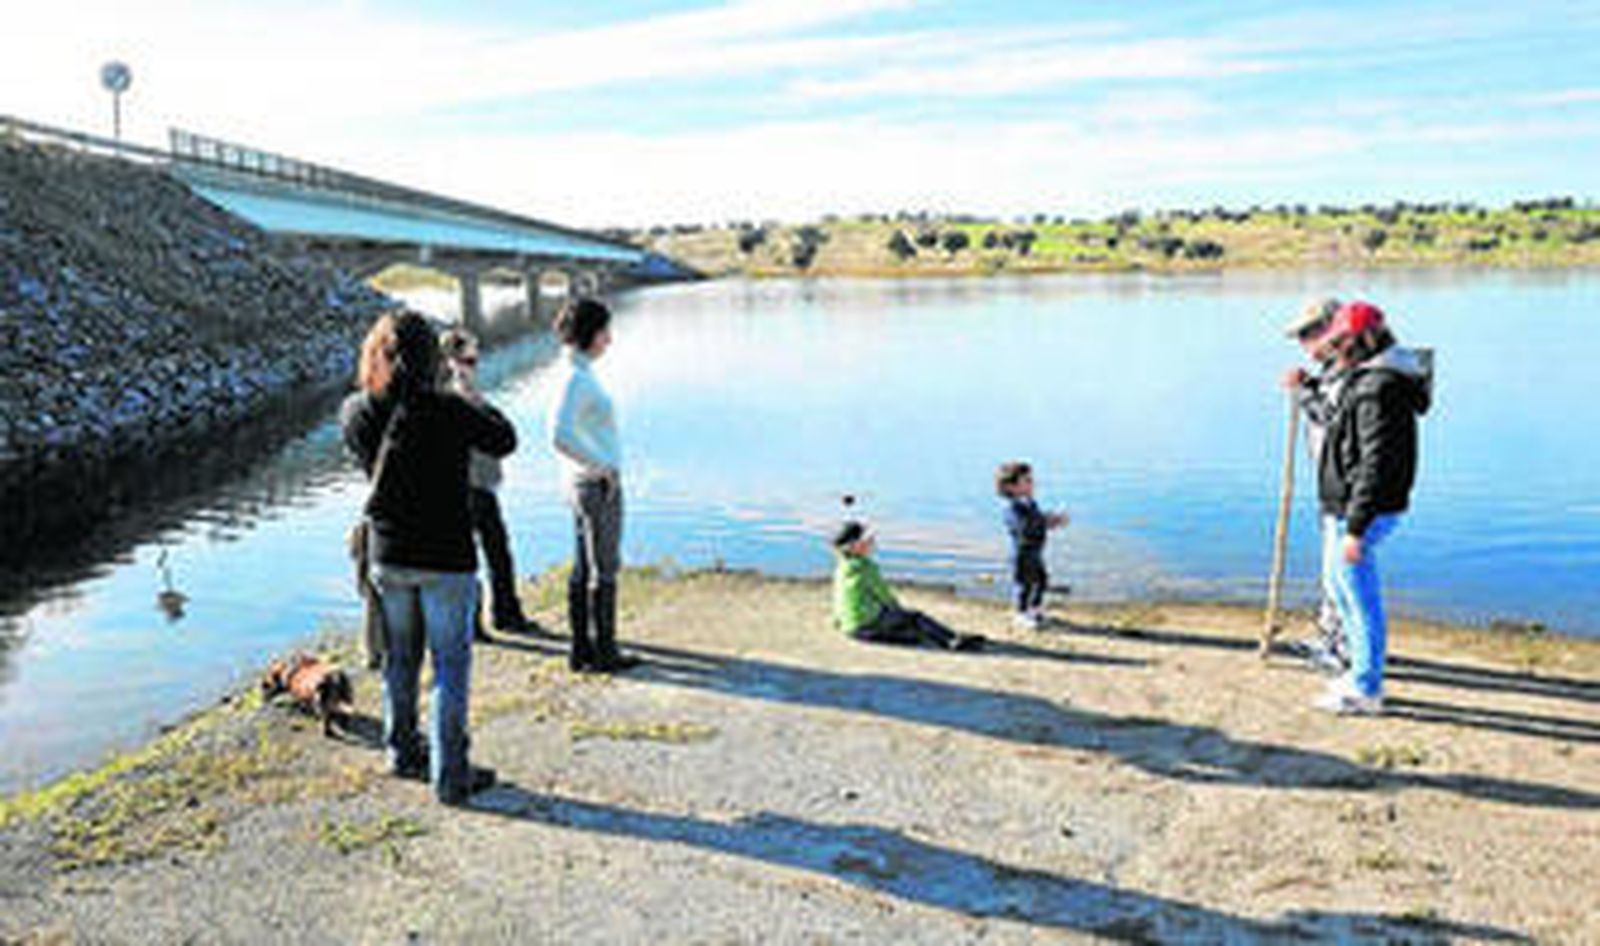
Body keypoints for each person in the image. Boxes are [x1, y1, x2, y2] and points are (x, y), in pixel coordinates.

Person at [342, 310, 516, 804]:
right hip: (447, 558)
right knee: (449, 667)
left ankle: (401, 752)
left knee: (401, 658)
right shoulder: (449, 409)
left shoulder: (355, 410)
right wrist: (468, 389)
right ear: (432, 358)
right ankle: (450, 774)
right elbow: (504, 439)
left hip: (389, 554)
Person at [1311, 300, 1431, 715]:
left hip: (1362, 511)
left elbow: (1376, 462)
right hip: (1344, 506)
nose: (1336, 348)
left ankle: (1366, 687)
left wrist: (1356, 528)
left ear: (1365, 339)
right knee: (1341, 589)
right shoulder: (1366, 378)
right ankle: (1357, 674)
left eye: (1342, 340)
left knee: (1360, 601)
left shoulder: (1379, 387)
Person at [548, 297, 640, 674]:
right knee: (604, 568)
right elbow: (558, 435)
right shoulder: (577, 378)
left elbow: (565, 434)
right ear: (590, 333)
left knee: (584, 567)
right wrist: (601, 467)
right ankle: (604, 652)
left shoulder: (571, 371)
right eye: (605, 331)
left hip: (579, 483)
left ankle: (581, 649)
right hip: (594, 485)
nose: (610, 340)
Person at [439, 328, 534, 641]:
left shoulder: (468, 392)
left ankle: (499, 616)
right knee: (483, 555)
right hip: (468, 485)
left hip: (480, 483)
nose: (474, 364)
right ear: (452, 360)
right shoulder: (454, 395)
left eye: (476, 358)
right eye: (469, 358)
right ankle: (488, 619)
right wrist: (475, 397)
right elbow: (499, 435)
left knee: (492, 552)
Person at [1281, 297, 1349, 672]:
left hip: (1347, 490)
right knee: (1333, 569)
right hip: (1332, 486)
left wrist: (1304, 392)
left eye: (1309, 334)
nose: (1303, 344)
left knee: (1339, 572)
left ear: (1330, 330)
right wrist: (1309, 385)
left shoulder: (1348, 371)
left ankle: (1341, 650)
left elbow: (1336, 420)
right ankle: (1331, 638)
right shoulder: (1332, 370)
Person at [831, 520, 985, 651]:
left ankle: (923, 636)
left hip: (850, 628)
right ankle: (952, 640)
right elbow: (885, 596)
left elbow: (838, 597)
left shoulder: (842, 567)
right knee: (916, 617)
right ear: (855, 546)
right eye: (867, 541)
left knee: (905, 626)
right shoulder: (866, 567)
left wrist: (839, 621)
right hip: (866, 624)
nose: (872, 543)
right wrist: (900, 612)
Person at [995, 461, 1068, 630]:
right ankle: (1021, 613)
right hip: (1022, 554)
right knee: (1024, 584)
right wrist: (1046, 521)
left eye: (1031, 480)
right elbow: (1024, 527)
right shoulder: (1013, 509)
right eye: (1026, 481)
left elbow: (1037, 520)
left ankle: (1034, 609)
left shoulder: (1030, 503)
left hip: (1035, 551)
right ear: (1011, 487)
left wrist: (1052, 521)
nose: (1032, 484)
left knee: (1041, 580)